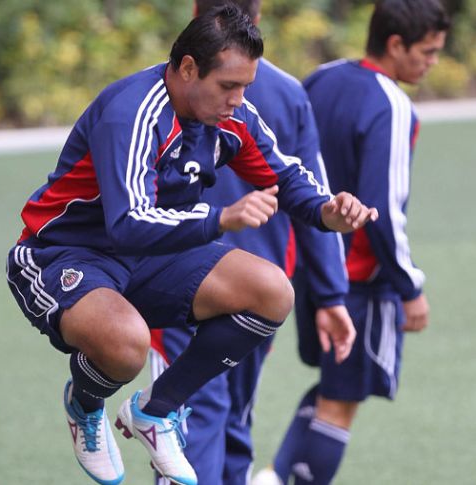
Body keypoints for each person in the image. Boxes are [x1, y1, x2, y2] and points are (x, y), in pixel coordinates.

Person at [4, 6, 378, 485]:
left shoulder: (230, 116)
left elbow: (283, 175)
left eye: (245, 87)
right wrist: (220, 218)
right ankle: (85, 403)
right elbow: (129, 223)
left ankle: (156, 411)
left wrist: (328, 210)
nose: (238, 100)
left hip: (151, 257)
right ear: (187, 68)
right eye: (228, 86)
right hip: (64, 255)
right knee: (127, 345)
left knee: (272, 291)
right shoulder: (132, 113)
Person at [145, 1, 355, 484]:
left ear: (196, 15)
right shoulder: (286, 92)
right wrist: (331, 295)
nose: (235, 99)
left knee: (188, 419)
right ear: (255, 21)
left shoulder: (164, 92)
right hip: (260, 290)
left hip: (180, 286)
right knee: (234, 419)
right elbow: (313, 191)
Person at [252, 1, 450, 484]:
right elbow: (382, 211)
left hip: (308, 266)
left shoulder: (322, 78)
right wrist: (409, 287)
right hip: (359, 279)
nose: (433, 62)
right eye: (428, 52)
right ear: (396, 44)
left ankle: (273, 476)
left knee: (333, 387)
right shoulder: (392, 105)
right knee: (341, 402)